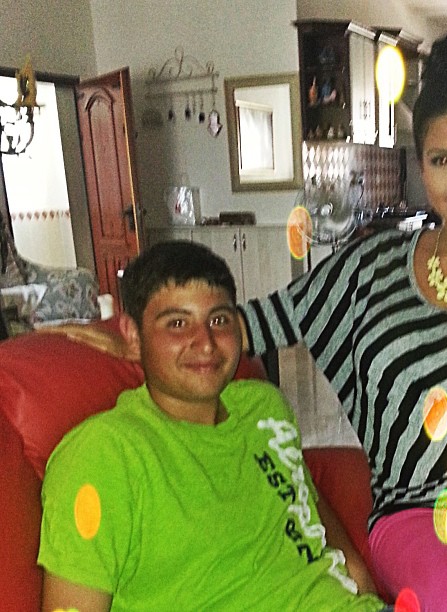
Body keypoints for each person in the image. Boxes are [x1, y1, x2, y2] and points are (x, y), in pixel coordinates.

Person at [47, 29, 447, 611]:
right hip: (416, 512)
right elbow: (255, 323)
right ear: (422, 166)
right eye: (442, 160)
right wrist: (137, 337)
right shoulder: (372, 268)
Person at [38, 240, 387, 611]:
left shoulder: (264, 406)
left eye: (219, 320)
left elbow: (306, 503)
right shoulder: (104, 455)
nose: (205, 343)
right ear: (133, 336)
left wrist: (365, 587)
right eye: (177, 324)